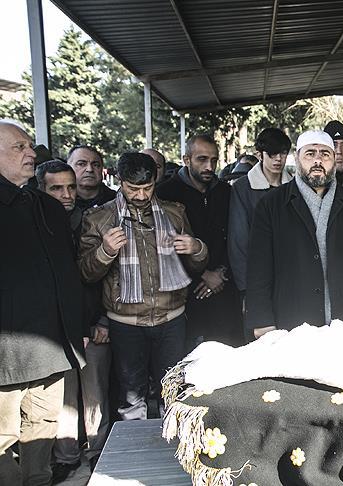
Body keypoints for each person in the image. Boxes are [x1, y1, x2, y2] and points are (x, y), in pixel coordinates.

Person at [78, 152, 208, 421]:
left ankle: (172, 445)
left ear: (155, 180)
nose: (140, 195)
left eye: (147, 188)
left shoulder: (174, 213)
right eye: (132, 188)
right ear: (119, 180)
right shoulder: (99, 218)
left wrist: (196, 248)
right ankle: (134, 446)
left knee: (173, 393)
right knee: (131, 398)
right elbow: (85, 274)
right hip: (125, 323)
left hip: (172, 319)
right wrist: (105, 251)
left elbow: (195, 267)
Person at [0, 121, 88, 486]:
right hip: (5, 351)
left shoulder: (48, 207)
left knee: (43, 426)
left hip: (50, 345)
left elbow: (68, 274)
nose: (30, 153)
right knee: (3, 438)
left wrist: (76, 330)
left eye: (29, 146)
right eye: (18, 147)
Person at [245, 130, 343, 337]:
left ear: (334, 159)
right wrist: (262, 320)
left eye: (325, 154)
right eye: (310, 154)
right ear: (297, 158)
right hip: (290, 319)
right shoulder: (271, 205)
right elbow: (258, 269)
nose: (318, 160)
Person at [35, 161, 111, 479]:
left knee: (96, 394)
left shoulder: (90, 220)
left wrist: (103, 319)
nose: (67, 194)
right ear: (41, 189)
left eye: (70, 187)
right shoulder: (34, 222)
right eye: (57, 188)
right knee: (61, 397)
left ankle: (98, 453)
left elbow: (108, 277)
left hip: (93, 320)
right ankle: (65, 457)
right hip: (53, 327)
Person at [157, 134, 242, 348]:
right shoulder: (165, 193)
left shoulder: (226, 192)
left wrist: (221, 273)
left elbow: (236, 237)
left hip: (224, 291)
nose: (209, 167)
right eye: (202, 159)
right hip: (185, 295)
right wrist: (204, 275)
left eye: (213, 160)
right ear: (186, 160)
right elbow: (163, 246)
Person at [228, 128, 293, 295]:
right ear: (259, 154)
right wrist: (245, 288)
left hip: (291, 277)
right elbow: (238, 241)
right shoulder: (243, 187)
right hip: (257, 278)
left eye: (283, 153)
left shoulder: (295, 187)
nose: (278, 159)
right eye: (272, 154)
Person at [67, 145, 115, 210]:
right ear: (68, 167)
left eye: (95, 165)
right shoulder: (59, 201)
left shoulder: (117, 201)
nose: (90, 169)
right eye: (81, 164)